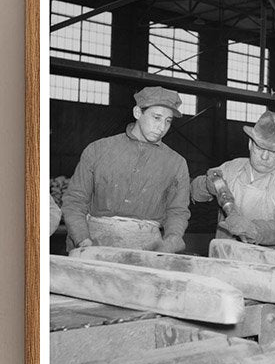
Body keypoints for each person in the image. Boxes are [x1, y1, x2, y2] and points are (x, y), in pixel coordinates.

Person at [61, 86, 190, 252]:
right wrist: (82, 240)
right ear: (137, 113)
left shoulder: (176, 163)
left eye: (168, 121)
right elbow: (75, 200)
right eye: (156, 117)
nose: (162, 127)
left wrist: (173, 239)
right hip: (95, 242)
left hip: (147, 247)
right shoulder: (98, 150)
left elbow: (177, 210)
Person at [191, 110, 275, 249]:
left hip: (267, 263)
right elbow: (194, 193)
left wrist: (255, 230)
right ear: (250, 144)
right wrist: (205, 185)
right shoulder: (231, 169)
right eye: (260, 148)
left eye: (272, 151)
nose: (264, 157)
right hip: (226, 257)